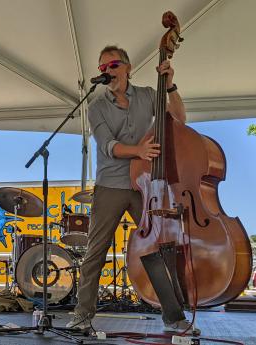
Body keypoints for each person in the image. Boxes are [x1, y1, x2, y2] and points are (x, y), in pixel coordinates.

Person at [66, 46, 200, 335]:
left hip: (145, 186)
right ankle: (82, 315)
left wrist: (171, 85)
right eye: (102, 68)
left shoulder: (149, 95)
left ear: (127, 67)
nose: (107, 71)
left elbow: (179, 118)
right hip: (110, 185)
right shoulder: (97, 106)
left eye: (112, 65)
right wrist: (138, 150)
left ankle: (174, 316)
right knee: (95, 251)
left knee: (159, 247)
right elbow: (107, 146)